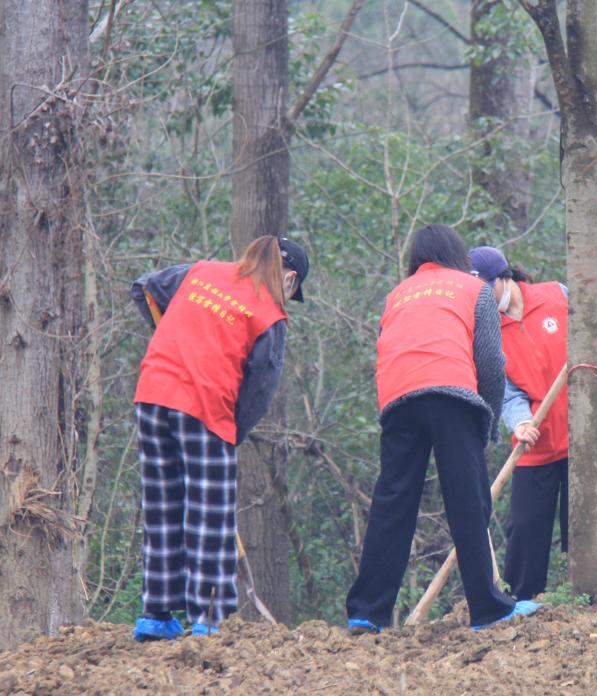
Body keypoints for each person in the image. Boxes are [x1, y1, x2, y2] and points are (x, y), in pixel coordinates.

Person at [345, 225, 538, 632]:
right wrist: (488, 420)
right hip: (452, 395)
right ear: (457, 255)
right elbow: (491, 363)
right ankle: (488, 609)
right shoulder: (474, 289)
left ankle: (367, 612)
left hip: (398, 398)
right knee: (468, 501)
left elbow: (386, 347)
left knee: (392, 503)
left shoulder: (396, 294)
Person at [129, 235, 309, 641]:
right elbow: (259, 391)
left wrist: (174, 336)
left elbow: (145, 288)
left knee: (162, 505)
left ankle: (156, 614)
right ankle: (209, 620)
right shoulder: (270, 314)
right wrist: (232, 433)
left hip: (152, 396)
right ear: (290, 279)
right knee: (209, 517)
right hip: (205, 408)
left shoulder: (201, 272)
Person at [468, 246, 570, 601]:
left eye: (485, 289)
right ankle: (522, 606)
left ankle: (588, 601)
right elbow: (507, 393)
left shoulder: (556, 294)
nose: (481, 298)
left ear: (504, 278)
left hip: (583, 437)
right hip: (536, 442)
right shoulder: (488, 332)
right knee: (525, 529)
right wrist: (520, 422)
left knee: (582, 526)